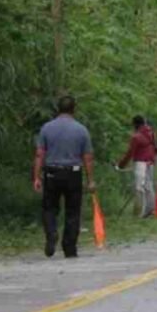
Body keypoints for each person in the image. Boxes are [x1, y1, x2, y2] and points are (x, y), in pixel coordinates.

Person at [33, 95, 96, 258]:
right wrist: (90, 180)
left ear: (58, 109)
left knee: (49, 208)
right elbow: (87, 157)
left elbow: (39, 154)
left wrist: (37, 177)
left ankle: (51, 233)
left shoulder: (46, 128)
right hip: (73, 173)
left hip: (52, 172)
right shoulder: (81, 129)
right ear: (74, 109)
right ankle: (69, 247)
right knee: (73, 211)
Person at [116, 115, 157, 217]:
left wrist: (121, 165)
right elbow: (155, 148)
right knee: (149, 186)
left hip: (140, 163)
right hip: (150, 163)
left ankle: (138, 213)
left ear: (135, 124)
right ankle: (150, 209)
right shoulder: (152, 134)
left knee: (139, 188)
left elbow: (130, 153)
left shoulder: (136, 137)